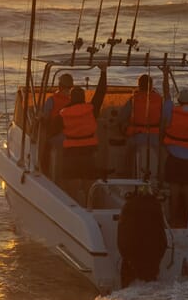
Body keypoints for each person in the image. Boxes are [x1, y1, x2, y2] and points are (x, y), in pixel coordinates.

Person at [58, 65, 107, 204]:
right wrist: (103, 72)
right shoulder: (92, 109)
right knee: (88, 185)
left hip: (71, 153)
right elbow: (101, 92)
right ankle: (89, 207)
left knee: (71, 188)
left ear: (70, 98)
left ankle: (73, 209)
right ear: (84, 98)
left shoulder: (63, 113)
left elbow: (52, 128)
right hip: (89, 153)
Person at [162, 85, 188, 227]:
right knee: (187, 191)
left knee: (174, 190)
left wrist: (166, 76)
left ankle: (173, 219)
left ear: (178, 100)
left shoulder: (173, 110)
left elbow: (166, 97)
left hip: (174, 157)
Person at [119, 74, 163, 177]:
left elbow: (121, 117)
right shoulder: (160, 99)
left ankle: (127, 175)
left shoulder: (133, 99)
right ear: (151, 85)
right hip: (156, 137)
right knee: (161, 155)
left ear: (139, 85)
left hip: (137, 135)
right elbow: (164, 118)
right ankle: (161, 176)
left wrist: (124, 126)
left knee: (128, 153)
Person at [37, 73, 73, 178]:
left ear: (59, 86)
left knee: (47, 145)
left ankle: (44, 171)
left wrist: (39, 117)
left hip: (58, 135)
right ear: (71, 87)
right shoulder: (72, 101)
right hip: (72, 135)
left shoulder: (51, 100)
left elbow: (45, 117)